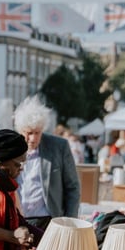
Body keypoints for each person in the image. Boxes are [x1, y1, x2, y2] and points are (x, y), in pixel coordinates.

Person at [13, 95, 81, 227]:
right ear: (20, 130)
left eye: (37, 133)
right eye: (29, 133)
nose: (32, 138)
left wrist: (69, 222)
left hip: (49, 220)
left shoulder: (59, 147)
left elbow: (72, 187)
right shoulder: (11, 148)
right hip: (18, 219)